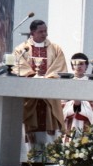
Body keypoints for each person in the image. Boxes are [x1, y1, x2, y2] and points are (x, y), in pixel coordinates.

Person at [12, 19, 68, 152]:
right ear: (32, 32)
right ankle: (29, 157)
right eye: (41, 31)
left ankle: (48, 157)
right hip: (30, 96)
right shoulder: (22, 49)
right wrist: (33, 77)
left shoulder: (55, 48)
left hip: (49, 95)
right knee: (30, 128)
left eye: (45, 31)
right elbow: (17, 67)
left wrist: (45, 80)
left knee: (48, 126)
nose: (44, 34)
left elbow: (59, 67)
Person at [62, 53, 93, 133]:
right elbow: (62, 101)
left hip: (86, 116)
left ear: (86, 66)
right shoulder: (66, 82)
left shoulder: (91, 82)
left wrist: (80, 104)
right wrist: (74, 104)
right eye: (75, 64)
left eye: (81, 64)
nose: (78, 66)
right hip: (70, 115)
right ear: (72, 66)